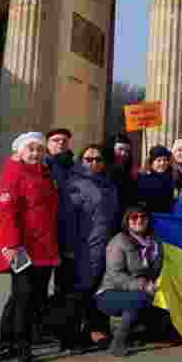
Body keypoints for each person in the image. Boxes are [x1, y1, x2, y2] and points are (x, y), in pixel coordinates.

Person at [0, 132, 59, 362]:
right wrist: (11, 245)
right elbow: (5, 212)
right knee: (23, 296)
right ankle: (21, 347)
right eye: (30, 149)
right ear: (20, 151)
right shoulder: (13, 173)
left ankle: (8, 341)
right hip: (21, 248)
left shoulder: (45, 173)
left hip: (44, 247)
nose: (35, 153)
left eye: (39, 149)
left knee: (33, 296)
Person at [62, 144, 121, 351]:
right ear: (81, 161)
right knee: (80, 292)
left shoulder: (108, 184)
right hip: (84, 247)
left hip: (106, 245)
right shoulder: (75, 183)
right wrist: (70, 247)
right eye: (89, 159)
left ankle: (95, 332)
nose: (94, 163)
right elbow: (69, 218)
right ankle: (71, 337)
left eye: (98, 159)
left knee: (99, 290)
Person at [95, 206, 168, 357]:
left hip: (141, 293)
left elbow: (154, 272)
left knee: (164, 322)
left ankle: (133, 335)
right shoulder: (118, 242)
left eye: (143, 217)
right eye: (134, 217)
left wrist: (151, 285)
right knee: (138, 299)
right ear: (127, 221)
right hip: (109, 294)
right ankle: (118, 343)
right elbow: (115, 275)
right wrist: (143, 285)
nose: (139, 220)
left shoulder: (156, 243)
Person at [44, 128, 77, 301]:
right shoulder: (41, 164)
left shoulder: (75, 166)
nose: (60, 143)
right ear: (47, 144)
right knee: (37, 284)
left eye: (64, 140)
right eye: (56, 140)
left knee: (65, 283)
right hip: (46, 230)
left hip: (68, 230)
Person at [137, 146, 177, 215]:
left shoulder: (171, 176)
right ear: (152, 162)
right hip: (150, 216)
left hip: (167, 216)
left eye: (165, 160)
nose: (162, 163)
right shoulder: (144, 178)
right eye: (158, 160)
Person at [106, 134, 139, 212]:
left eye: (127, 151)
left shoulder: (129, 172)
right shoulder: (103, 169)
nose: (123, 153)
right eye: (120, 149)